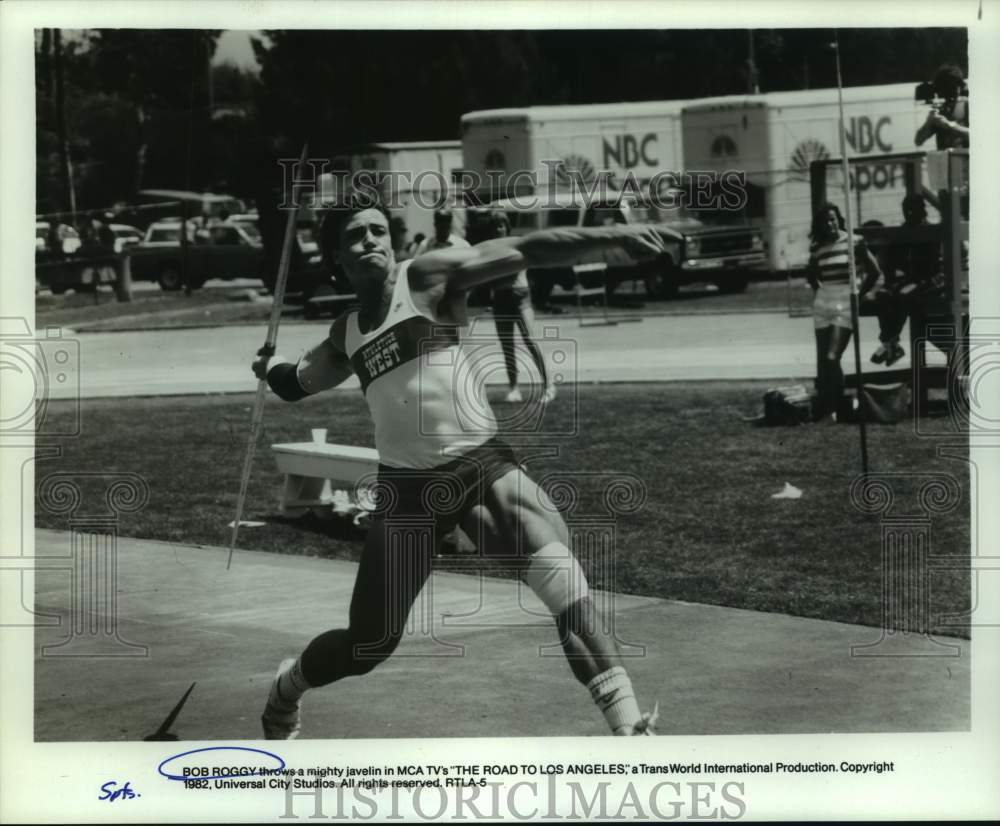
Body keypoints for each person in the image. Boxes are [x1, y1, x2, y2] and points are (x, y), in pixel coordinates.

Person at [252, 198, 670, 738]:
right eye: (356, 236)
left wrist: (612, 237)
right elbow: (297, 382)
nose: (372, 241)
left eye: (380, 230)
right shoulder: (347, 333)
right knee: (369, 643)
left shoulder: (425, 279)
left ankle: (632, 731)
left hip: (479, 467)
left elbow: (521, 249)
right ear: (336, 256)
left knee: (567, 589)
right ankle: (288, 685)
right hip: (405, 492)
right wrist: (270, 368)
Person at [806, 203, 882, 423]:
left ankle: (834, 409)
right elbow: (812, 276)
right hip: (823, 302)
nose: (830, 224)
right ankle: (829, 409)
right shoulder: (817, 247)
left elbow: (875, 272)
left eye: (833, 219)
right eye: (825, 221)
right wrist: (819, 292)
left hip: (845, 301)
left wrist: (858, 294)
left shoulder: (853, 241)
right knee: (823, 361)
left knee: (832, 357)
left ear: (838, 219)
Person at [866, 194, 942, 367]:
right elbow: (888, 260)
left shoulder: (930, 232)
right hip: (907, 280)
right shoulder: (902, 232)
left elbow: (933, 265)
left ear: (922, 210)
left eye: (912, 210)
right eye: (906, 211)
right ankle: (891, 344)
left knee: (902, 295)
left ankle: (889, 344)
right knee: (883, 295)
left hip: (929, 280)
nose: (909, 214)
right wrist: (890, 280)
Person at [488, 211, 555, 403]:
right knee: (507, 345)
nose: (498, 229)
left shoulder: (516, 243)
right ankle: (514, 387)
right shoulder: (489, 248)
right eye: (494, 226)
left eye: (501, 225)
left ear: (506, 227)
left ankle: (548, 385)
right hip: (500, 298)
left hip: (520, 295)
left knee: (530, 339)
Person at [915, 63, 969, 150]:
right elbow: (918, 141)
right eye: (944, 89)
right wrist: (928, 123)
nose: (948, 95)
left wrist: (951, 126)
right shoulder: (941, 111)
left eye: (951, 88)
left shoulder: (967, 106)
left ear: (959, 87)